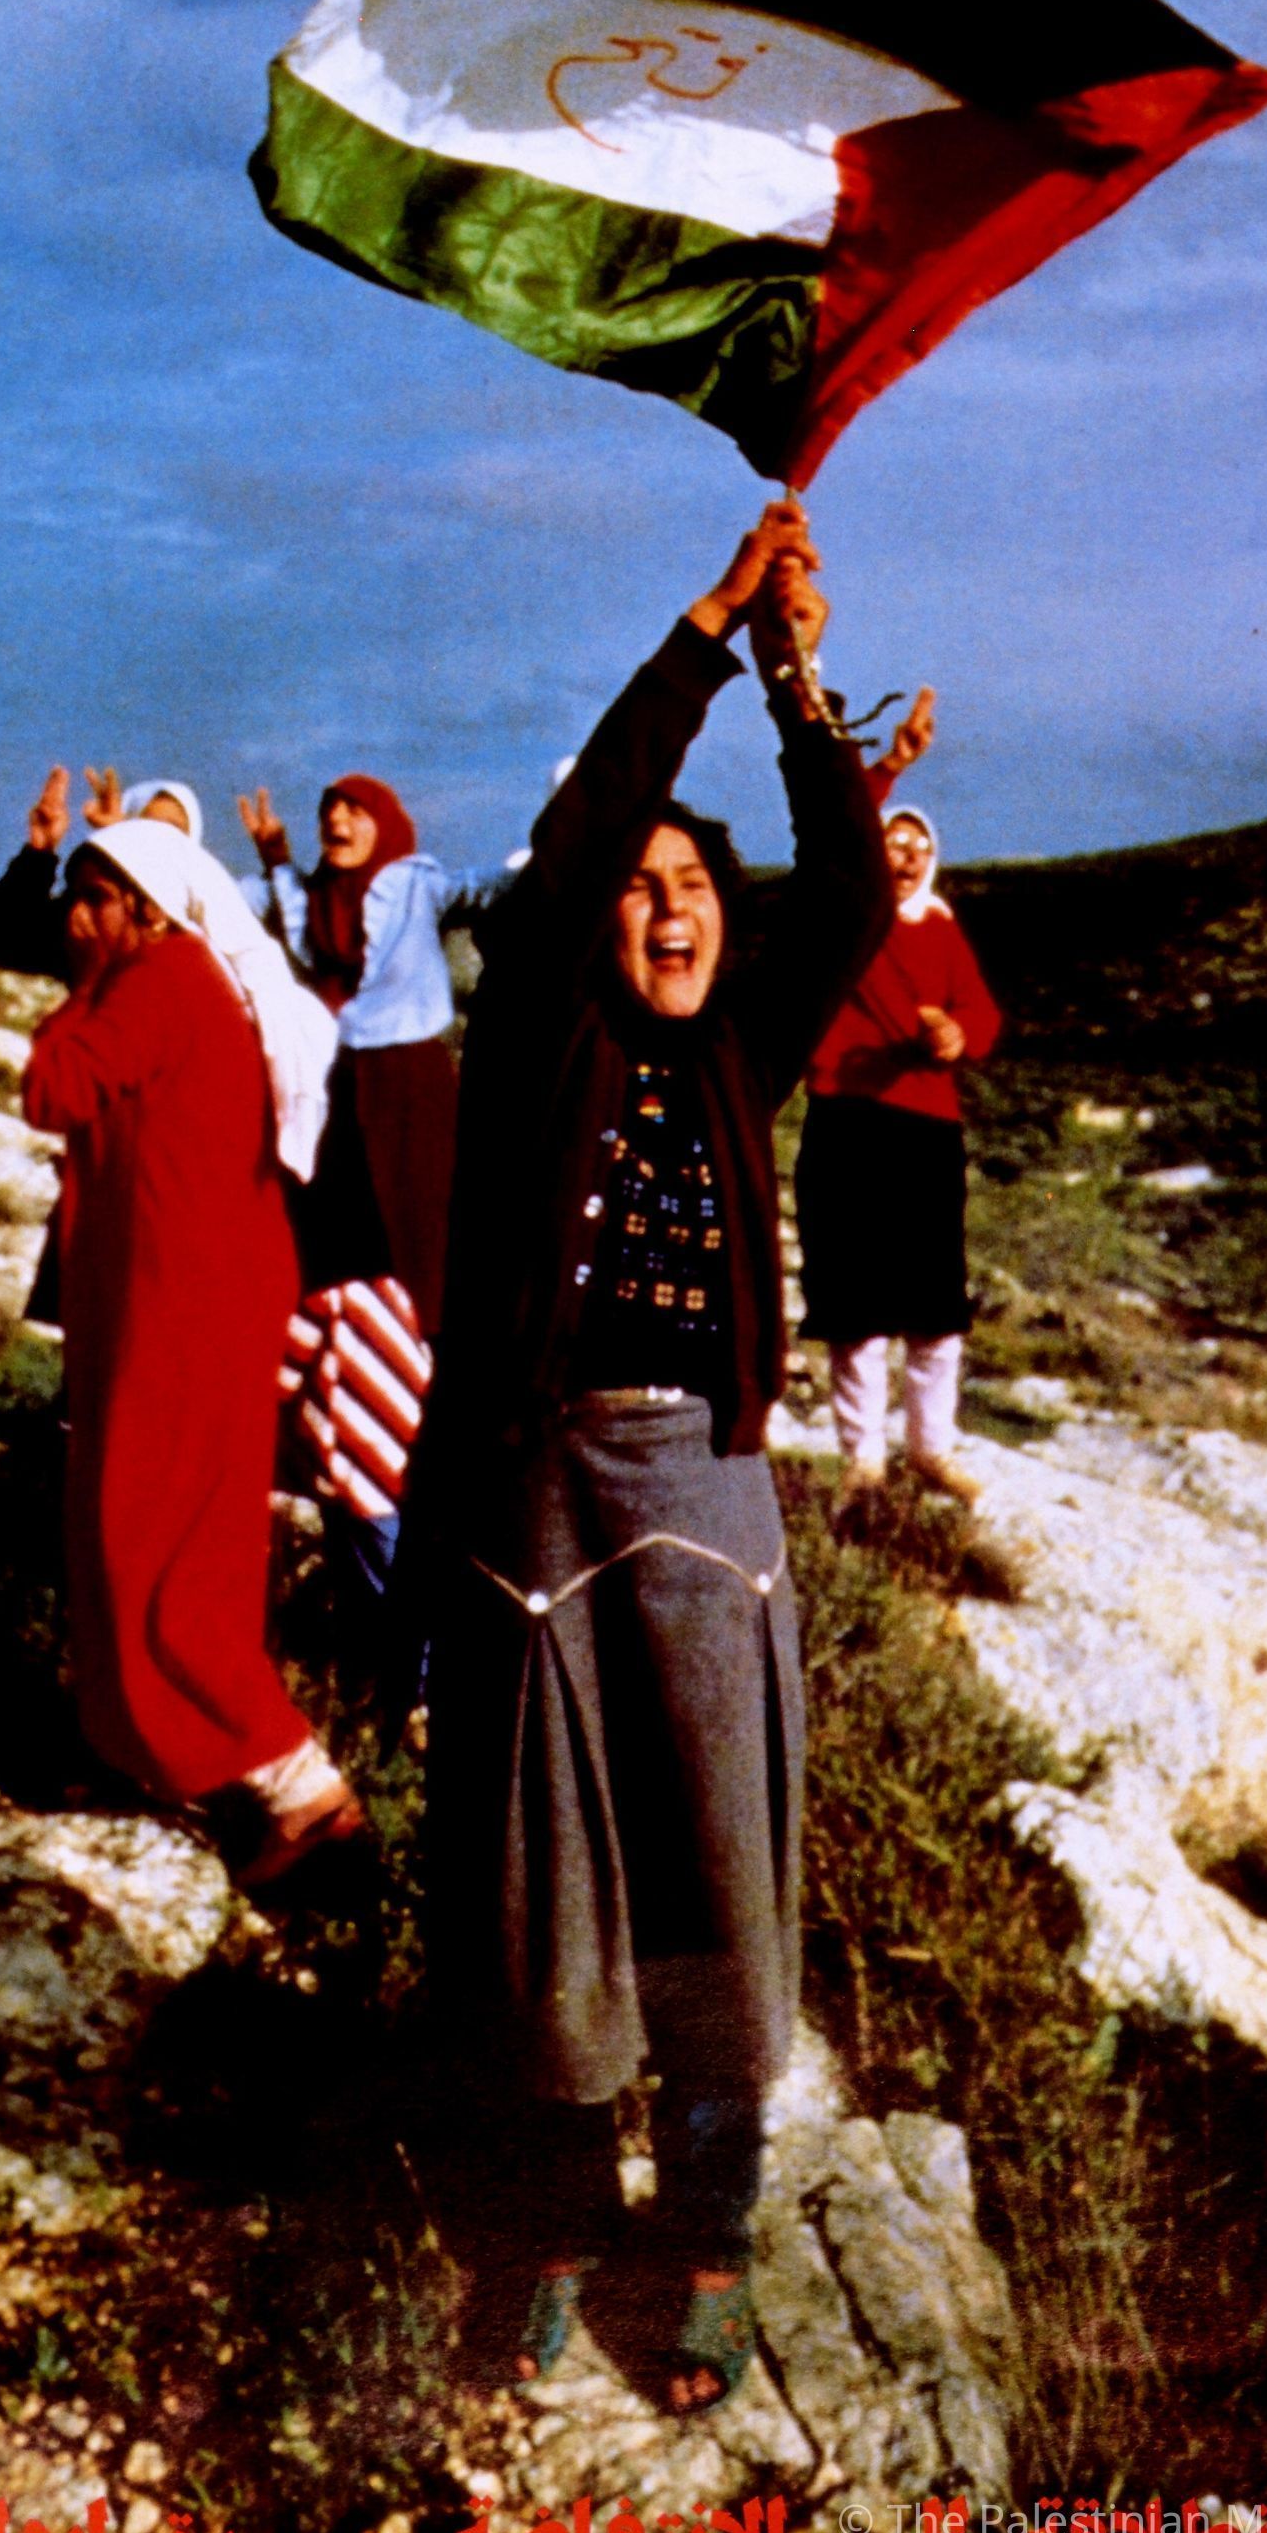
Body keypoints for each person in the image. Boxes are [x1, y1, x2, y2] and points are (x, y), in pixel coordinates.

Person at [412, 502, 888, 2414]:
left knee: (715, 1879)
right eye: (640, 887)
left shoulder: (739, 1053)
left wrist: (793, 679)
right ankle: (543, 2220)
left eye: (695, 884)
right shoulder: (544, 1034)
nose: (668, 906)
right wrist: (701, 623)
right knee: (551, 1881)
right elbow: (586, 837)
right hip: (540, 1494)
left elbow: (848, 890)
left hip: (708, 1493)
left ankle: (700, 2233)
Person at [21, 818, 355, 1881]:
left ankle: (292, 1778)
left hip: (183, 1301)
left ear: (149, 908)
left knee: (157, 1535)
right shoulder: (181, 979)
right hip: (186, 1292)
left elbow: (54, 1088)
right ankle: (175, 1755)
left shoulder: (160, 979)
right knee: (175, 1526)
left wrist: (76, 990)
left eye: (96, 898)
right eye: (74, 897)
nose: (78, 919)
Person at [797, 692, 1002, 1504]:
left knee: (934, 1302)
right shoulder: (847, 910)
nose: (908, 855)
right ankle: (864, 1459)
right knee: (855, 1303)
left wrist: (956, 1036)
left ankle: (931, 1449)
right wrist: (891, 764)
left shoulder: (940, 927)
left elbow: (982, 1014)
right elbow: (839, 824)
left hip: (926, 1128)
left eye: (920, 846)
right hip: (846, 1116)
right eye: (893, 841)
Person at [237, 773, 473, 1339]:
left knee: (417, 1236)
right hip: (331, 1084)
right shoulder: (309, 897)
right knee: (330, 1242)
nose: (336, 822)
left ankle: (420, 1361)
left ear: (385, 825)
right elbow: (213, 900)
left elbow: (496, 888)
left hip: (410, 1086)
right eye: (330, 812)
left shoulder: (418, 886)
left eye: (354, 812)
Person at [0, 766, 203, 983]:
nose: (159, 837)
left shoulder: (205, 927)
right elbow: (8, 943)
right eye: (146, 825)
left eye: (172, 829)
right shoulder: (99, 913)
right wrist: (39, 852)